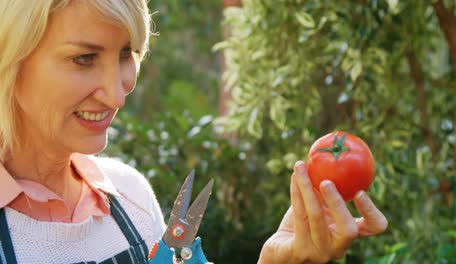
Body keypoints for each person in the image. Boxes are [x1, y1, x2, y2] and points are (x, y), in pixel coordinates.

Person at [0, 0, 388, 263]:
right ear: (9, 56)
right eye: (84, 58)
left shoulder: (129, 198)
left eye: (125, 53)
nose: (117, 93)